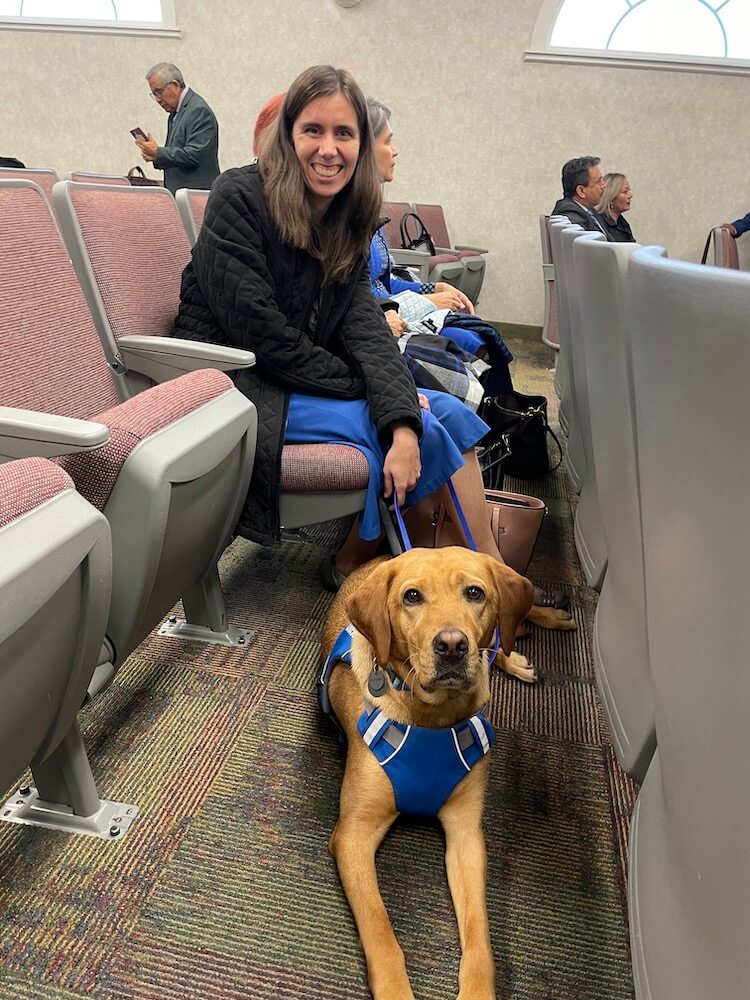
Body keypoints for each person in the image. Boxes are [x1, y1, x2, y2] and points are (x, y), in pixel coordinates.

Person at [171, 64, 510, 588]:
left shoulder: (345, 215)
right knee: (418, 425)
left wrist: (394, 403)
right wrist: (376, 398)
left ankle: (483, 575)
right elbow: (260, 334)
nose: (328, 148)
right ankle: (393, 572)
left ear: (357, 144)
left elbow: (364, 327)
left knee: (436, 411)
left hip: (298, 375)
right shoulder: (240, 196)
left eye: (343, 133)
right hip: (237, 382)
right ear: (288, 135)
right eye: (313, 130)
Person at [366, 97, 514, 397]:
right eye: (388, 141)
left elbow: (385, 280)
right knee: (468, 349)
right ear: (365, 149)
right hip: (381, 323)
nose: (396, 151)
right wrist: (429, 303)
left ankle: (500, 420)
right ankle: (497, 421)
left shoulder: (369, 213)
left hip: (392, 314)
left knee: (477, 335)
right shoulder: (346, 221)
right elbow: (363, 296)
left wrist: (433, 290)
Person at [135, 62, 220, 194]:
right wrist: (155, 156)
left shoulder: (198, 110)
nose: (157, 100)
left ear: (174, 85)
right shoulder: (175, 113)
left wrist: (159, 153)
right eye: (154, 94)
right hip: (180, 194)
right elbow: (177, 153)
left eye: (159, 92)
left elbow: (194, 155)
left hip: (196, 196)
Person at [551, 156, 612, 239]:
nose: (604, 185)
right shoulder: (571, 215)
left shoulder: (590, 211)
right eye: (599, 181)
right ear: (581, 191)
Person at [595, 173, 635, 243]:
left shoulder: (622, 223)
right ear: (611, 196)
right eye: (625, 191)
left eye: (629, 190)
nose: (630, 195)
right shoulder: (599, 225)